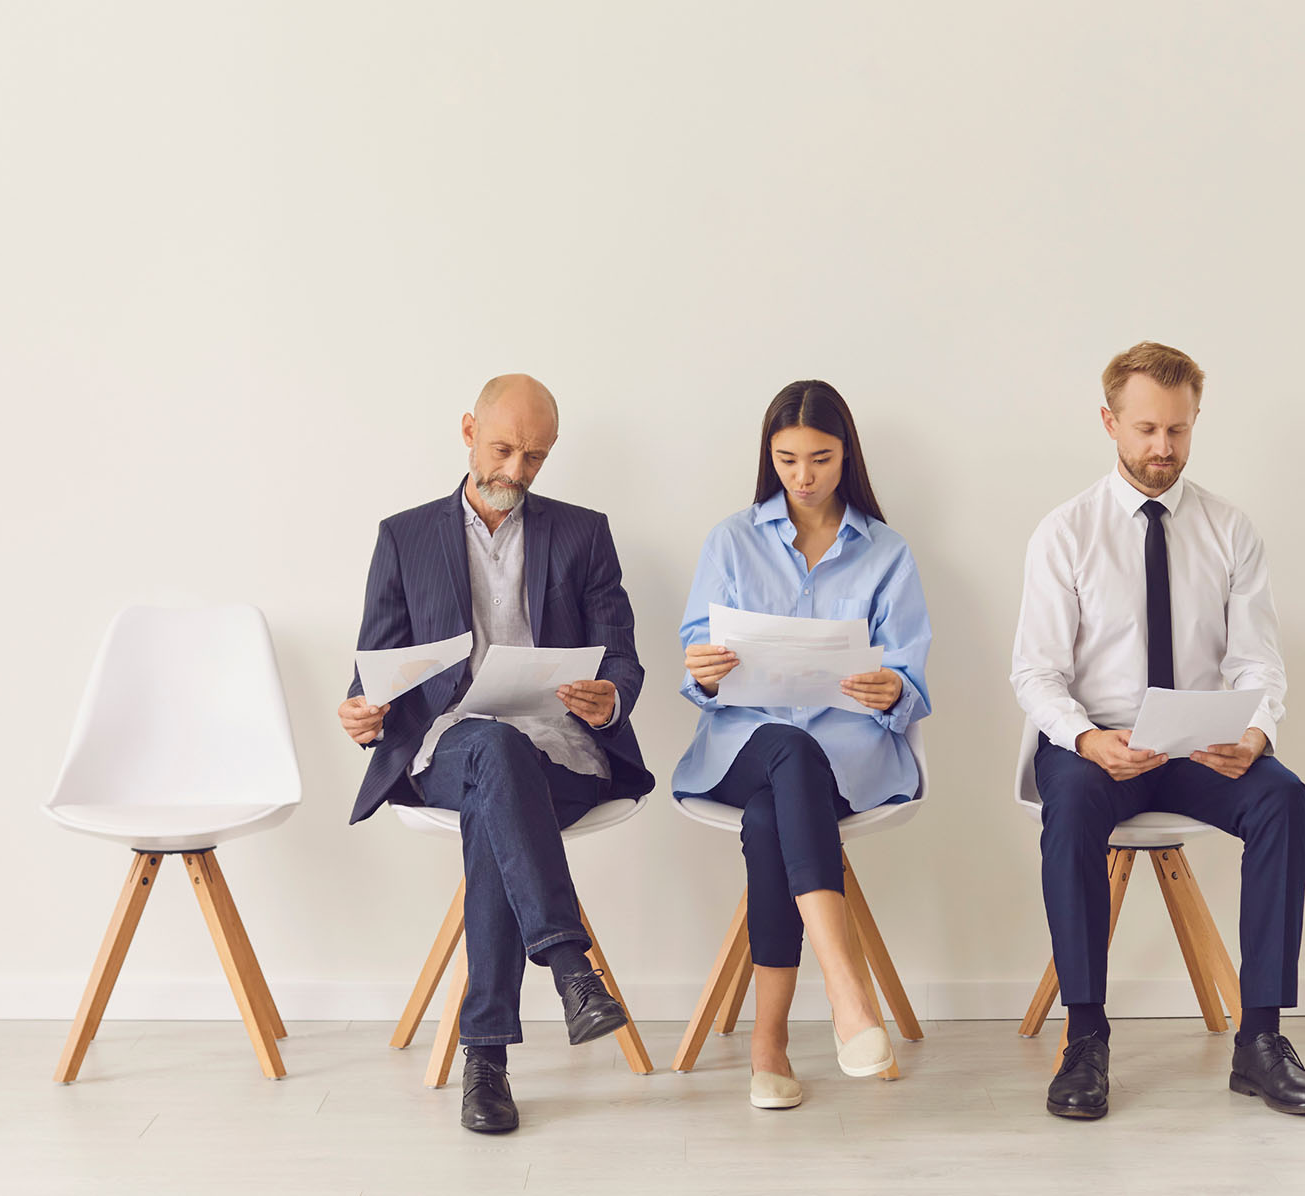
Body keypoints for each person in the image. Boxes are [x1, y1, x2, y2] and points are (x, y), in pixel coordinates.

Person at [1011, 341, 1305, 1120]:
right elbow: (1036, 673)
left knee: (1283, 799)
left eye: (1178, 432)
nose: (1163, 449)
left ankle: (1261, 1040)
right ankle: (1085, 1037)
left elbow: (1259, 662)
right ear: (1110, 423)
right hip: (1099, 742)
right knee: (1075, 808)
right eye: (1147, 429)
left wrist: (1254, 733)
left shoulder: (1228, 529)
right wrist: (1086, 739)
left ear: (1195, 423)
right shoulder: (1067, 532)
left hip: (1195, 741)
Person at [338, 374, 655, 1135]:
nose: (516, 470)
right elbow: (373, 669)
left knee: (500, 788)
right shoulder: (405, 536)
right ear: (468, 430)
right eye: (505, 448)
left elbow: (623, 659)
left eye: (536, 457)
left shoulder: (583, 533)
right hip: (447, 747)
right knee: (490, 752)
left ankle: (488, 1056)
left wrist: (610, 697)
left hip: (560, 751)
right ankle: (570, 970)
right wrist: (361, 710)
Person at [674, 380, 932, 1111]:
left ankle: (770, 1044)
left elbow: (910, 676)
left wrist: (893, 691)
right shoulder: (730, 540)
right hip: (740, 748)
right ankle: (847, 992)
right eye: (787, 460)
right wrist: (705, 672)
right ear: (770, 457)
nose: (804, 476)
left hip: (848, 760)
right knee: (785, 746)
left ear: (846, 454)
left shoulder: (888, 552)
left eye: (820, 458)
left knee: (770, 820)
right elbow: (698, 663)